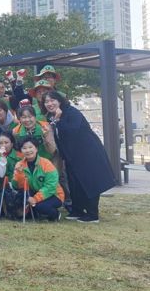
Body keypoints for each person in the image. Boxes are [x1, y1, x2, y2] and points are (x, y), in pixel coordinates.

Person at [44, 90, 114, 223]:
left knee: (89, 181)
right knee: (74, 182)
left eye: (52, 100)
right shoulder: (50, 117)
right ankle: (77, 210)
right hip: (71, 155)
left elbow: (72, 131)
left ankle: (92, 214)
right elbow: (59, 138)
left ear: (60, 101)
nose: (49, 104)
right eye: (46, 101)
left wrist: (58, 120)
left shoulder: (71, 112)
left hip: (87, 152)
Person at [11, 136, 65, 221]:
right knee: (19, 198)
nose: (28, 150)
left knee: (40, 206)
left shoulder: (46, 164)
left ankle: (55, 214)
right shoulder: (19, 164)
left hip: (54, 194)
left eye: (30, 147)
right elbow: (16, 186)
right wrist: (19, 173)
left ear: (36, 149)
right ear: (21, 151)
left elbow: (50, 186)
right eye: (24, 148)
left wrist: (35, 199)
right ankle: (33, 213)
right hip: (34, 192)